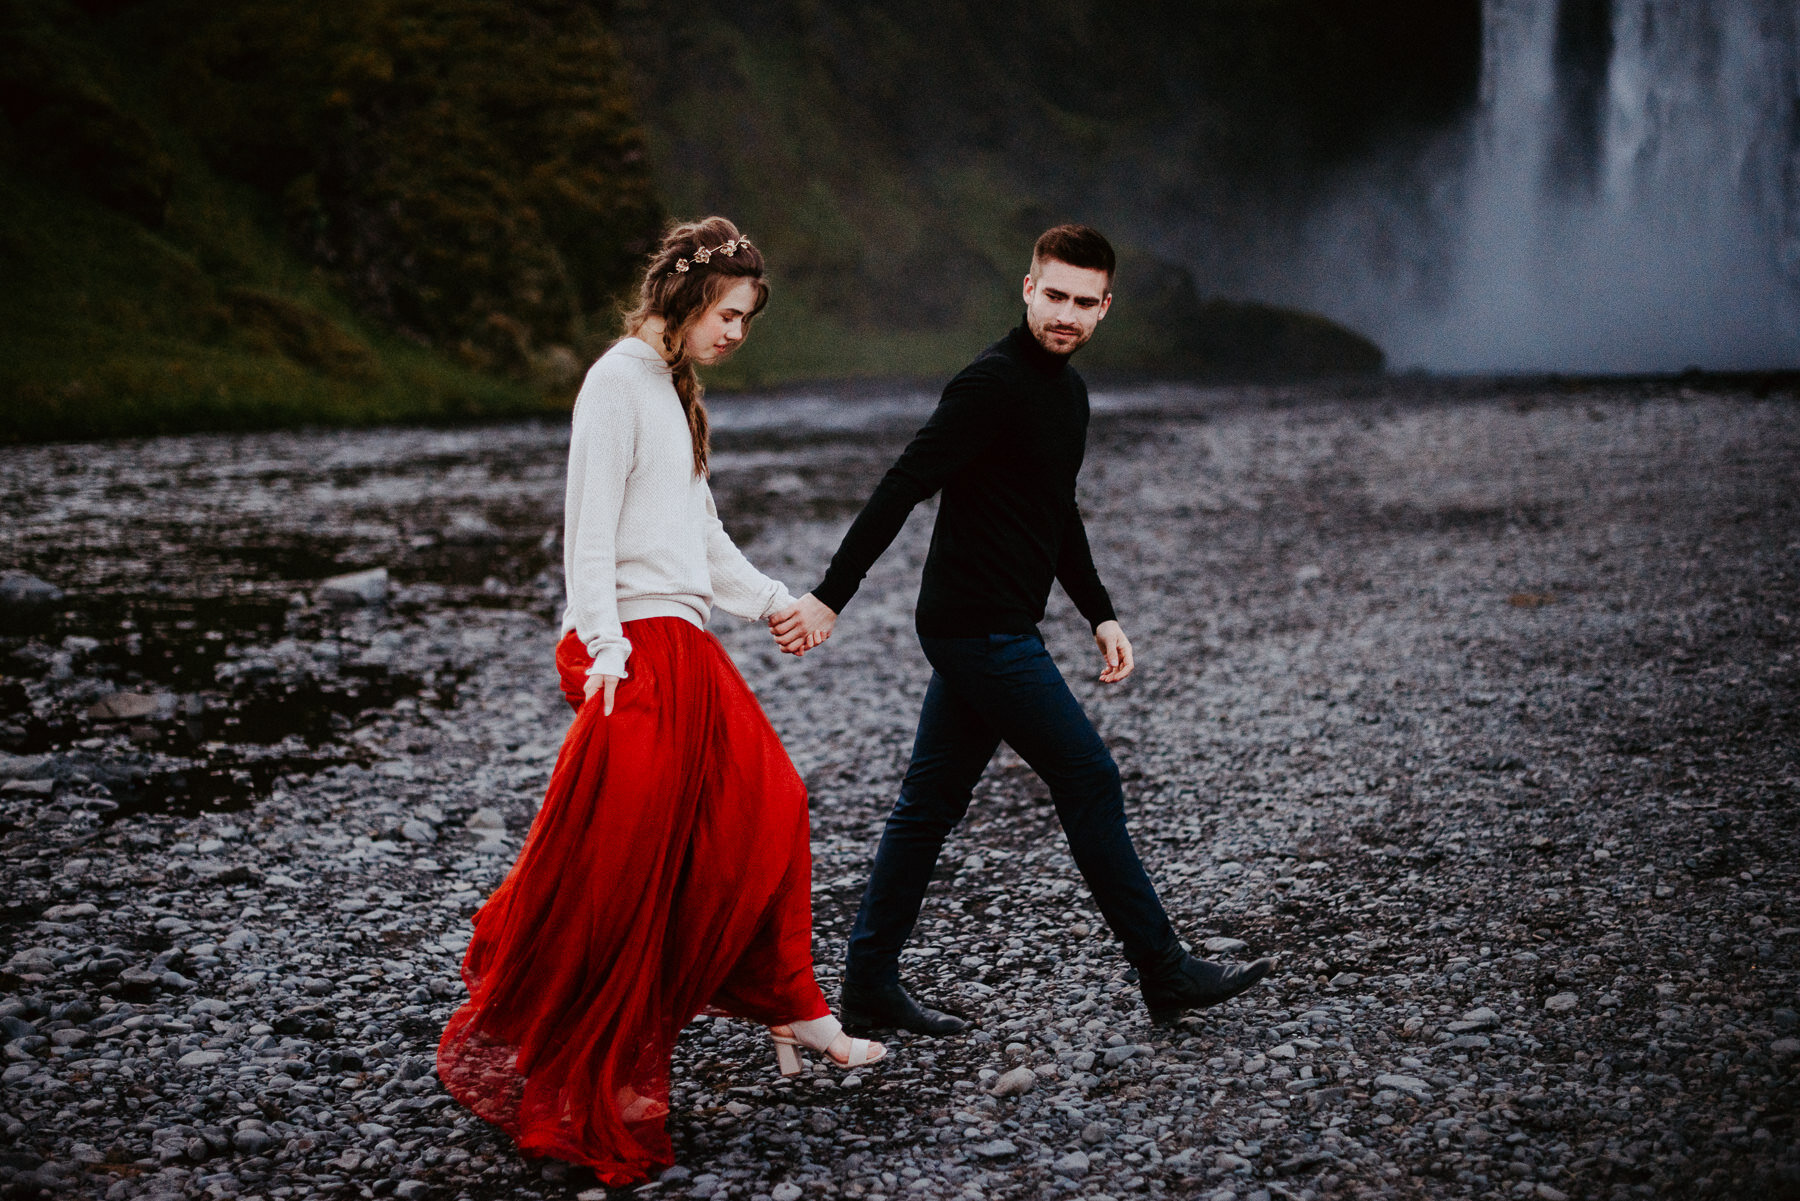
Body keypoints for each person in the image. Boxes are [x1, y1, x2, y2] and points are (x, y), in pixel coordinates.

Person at [438, 217, 883, 1188]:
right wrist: (602, 649)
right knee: (618, 880)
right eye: (728, 315)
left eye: (745, 320)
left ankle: (785, 1001)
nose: (735, 334)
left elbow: (702, 538)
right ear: (683, 300)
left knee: (767, 807)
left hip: (684, 648)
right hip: (633, 652)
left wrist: (777, 604)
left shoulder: (675, 395)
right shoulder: (616, 382)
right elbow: (586, 536)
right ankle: (596, 1083)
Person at [770, 224, 1274, 1035]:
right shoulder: (991, 383)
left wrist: (1100, 611)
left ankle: (866, 981)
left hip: (998, 624)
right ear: (1027, 289)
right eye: (1054, 295)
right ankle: (1163, 968)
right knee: (1088, 776)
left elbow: (1055, 510)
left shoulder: (1066, 394)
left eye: (1084, 301)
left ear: (1105, 307)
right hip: (978, 631)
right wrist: (832, 595)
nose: (1066, 313)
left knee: (928, 803)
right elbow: (904, 482)